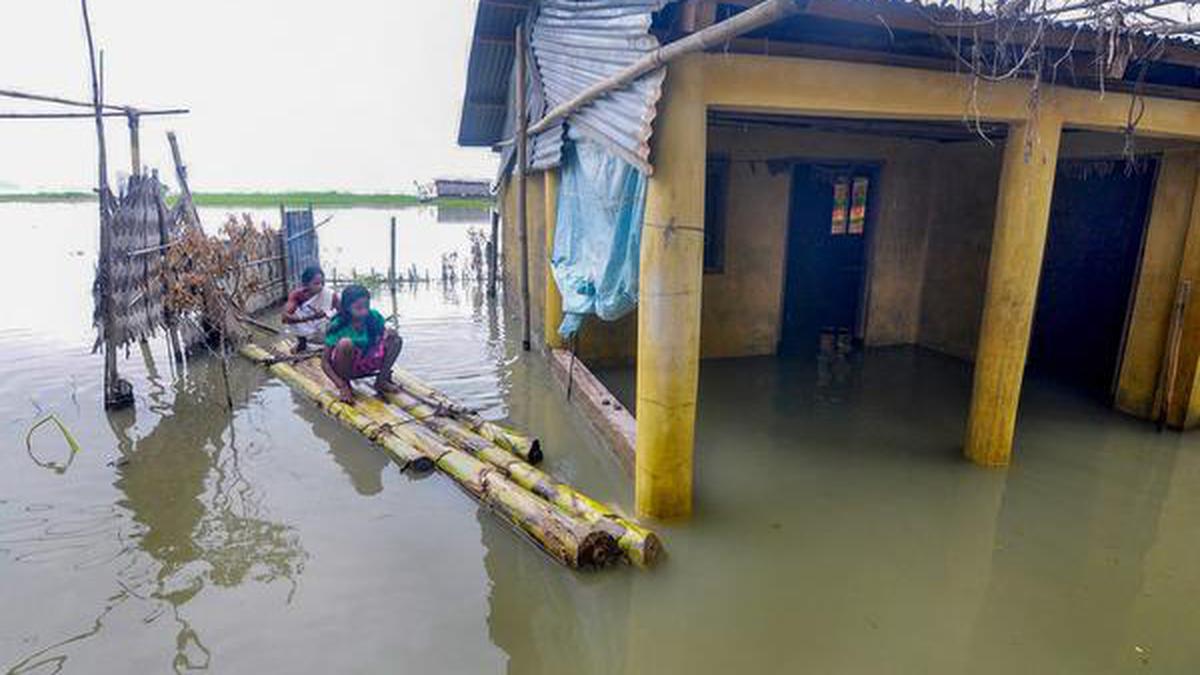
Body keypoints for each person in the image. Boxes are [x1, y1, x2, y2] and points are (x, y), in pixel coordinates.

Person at [321, 284, 403, 404]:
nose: (364, 311)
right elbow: (325, 363)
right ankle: (347, 384)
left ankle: (381, 380)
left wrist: (389, 333)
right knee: (345, 343)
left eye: (366, 306)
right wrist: (341, 385)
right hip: (346, 368)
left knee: (396, 340)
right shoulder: (338, 325)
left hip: (368, 362)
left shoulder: (373, 316)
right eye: (359, 308)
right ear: (347, 307)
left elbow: (385, 334)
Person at [282, 266, 338, 353]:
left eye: (322, 283)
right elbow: (285, 318)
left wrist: (329, 315)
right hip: (308, 326)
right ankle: (303, 343)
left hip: (324, 327)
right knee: (294, 315)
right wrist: (312, 317)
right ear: (306, 284)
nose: (320, 286)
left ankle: (327, 344)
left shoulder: (330, 294)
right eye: (316, 283)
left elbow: (343, 311)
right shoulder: (297, 295)